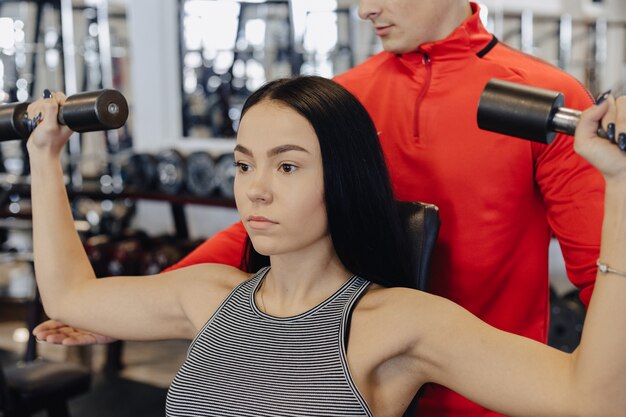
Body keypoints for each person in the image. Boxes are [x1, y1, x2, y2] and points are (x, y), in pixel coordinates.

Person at [34, 2, 606, 416]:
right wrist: (138, 309)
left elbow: (600, 274)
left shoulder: (540, 97)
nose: (364, 9)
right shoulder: (344, 96)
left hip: (485, 383)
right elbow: (269, 223)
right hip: (332, 366)